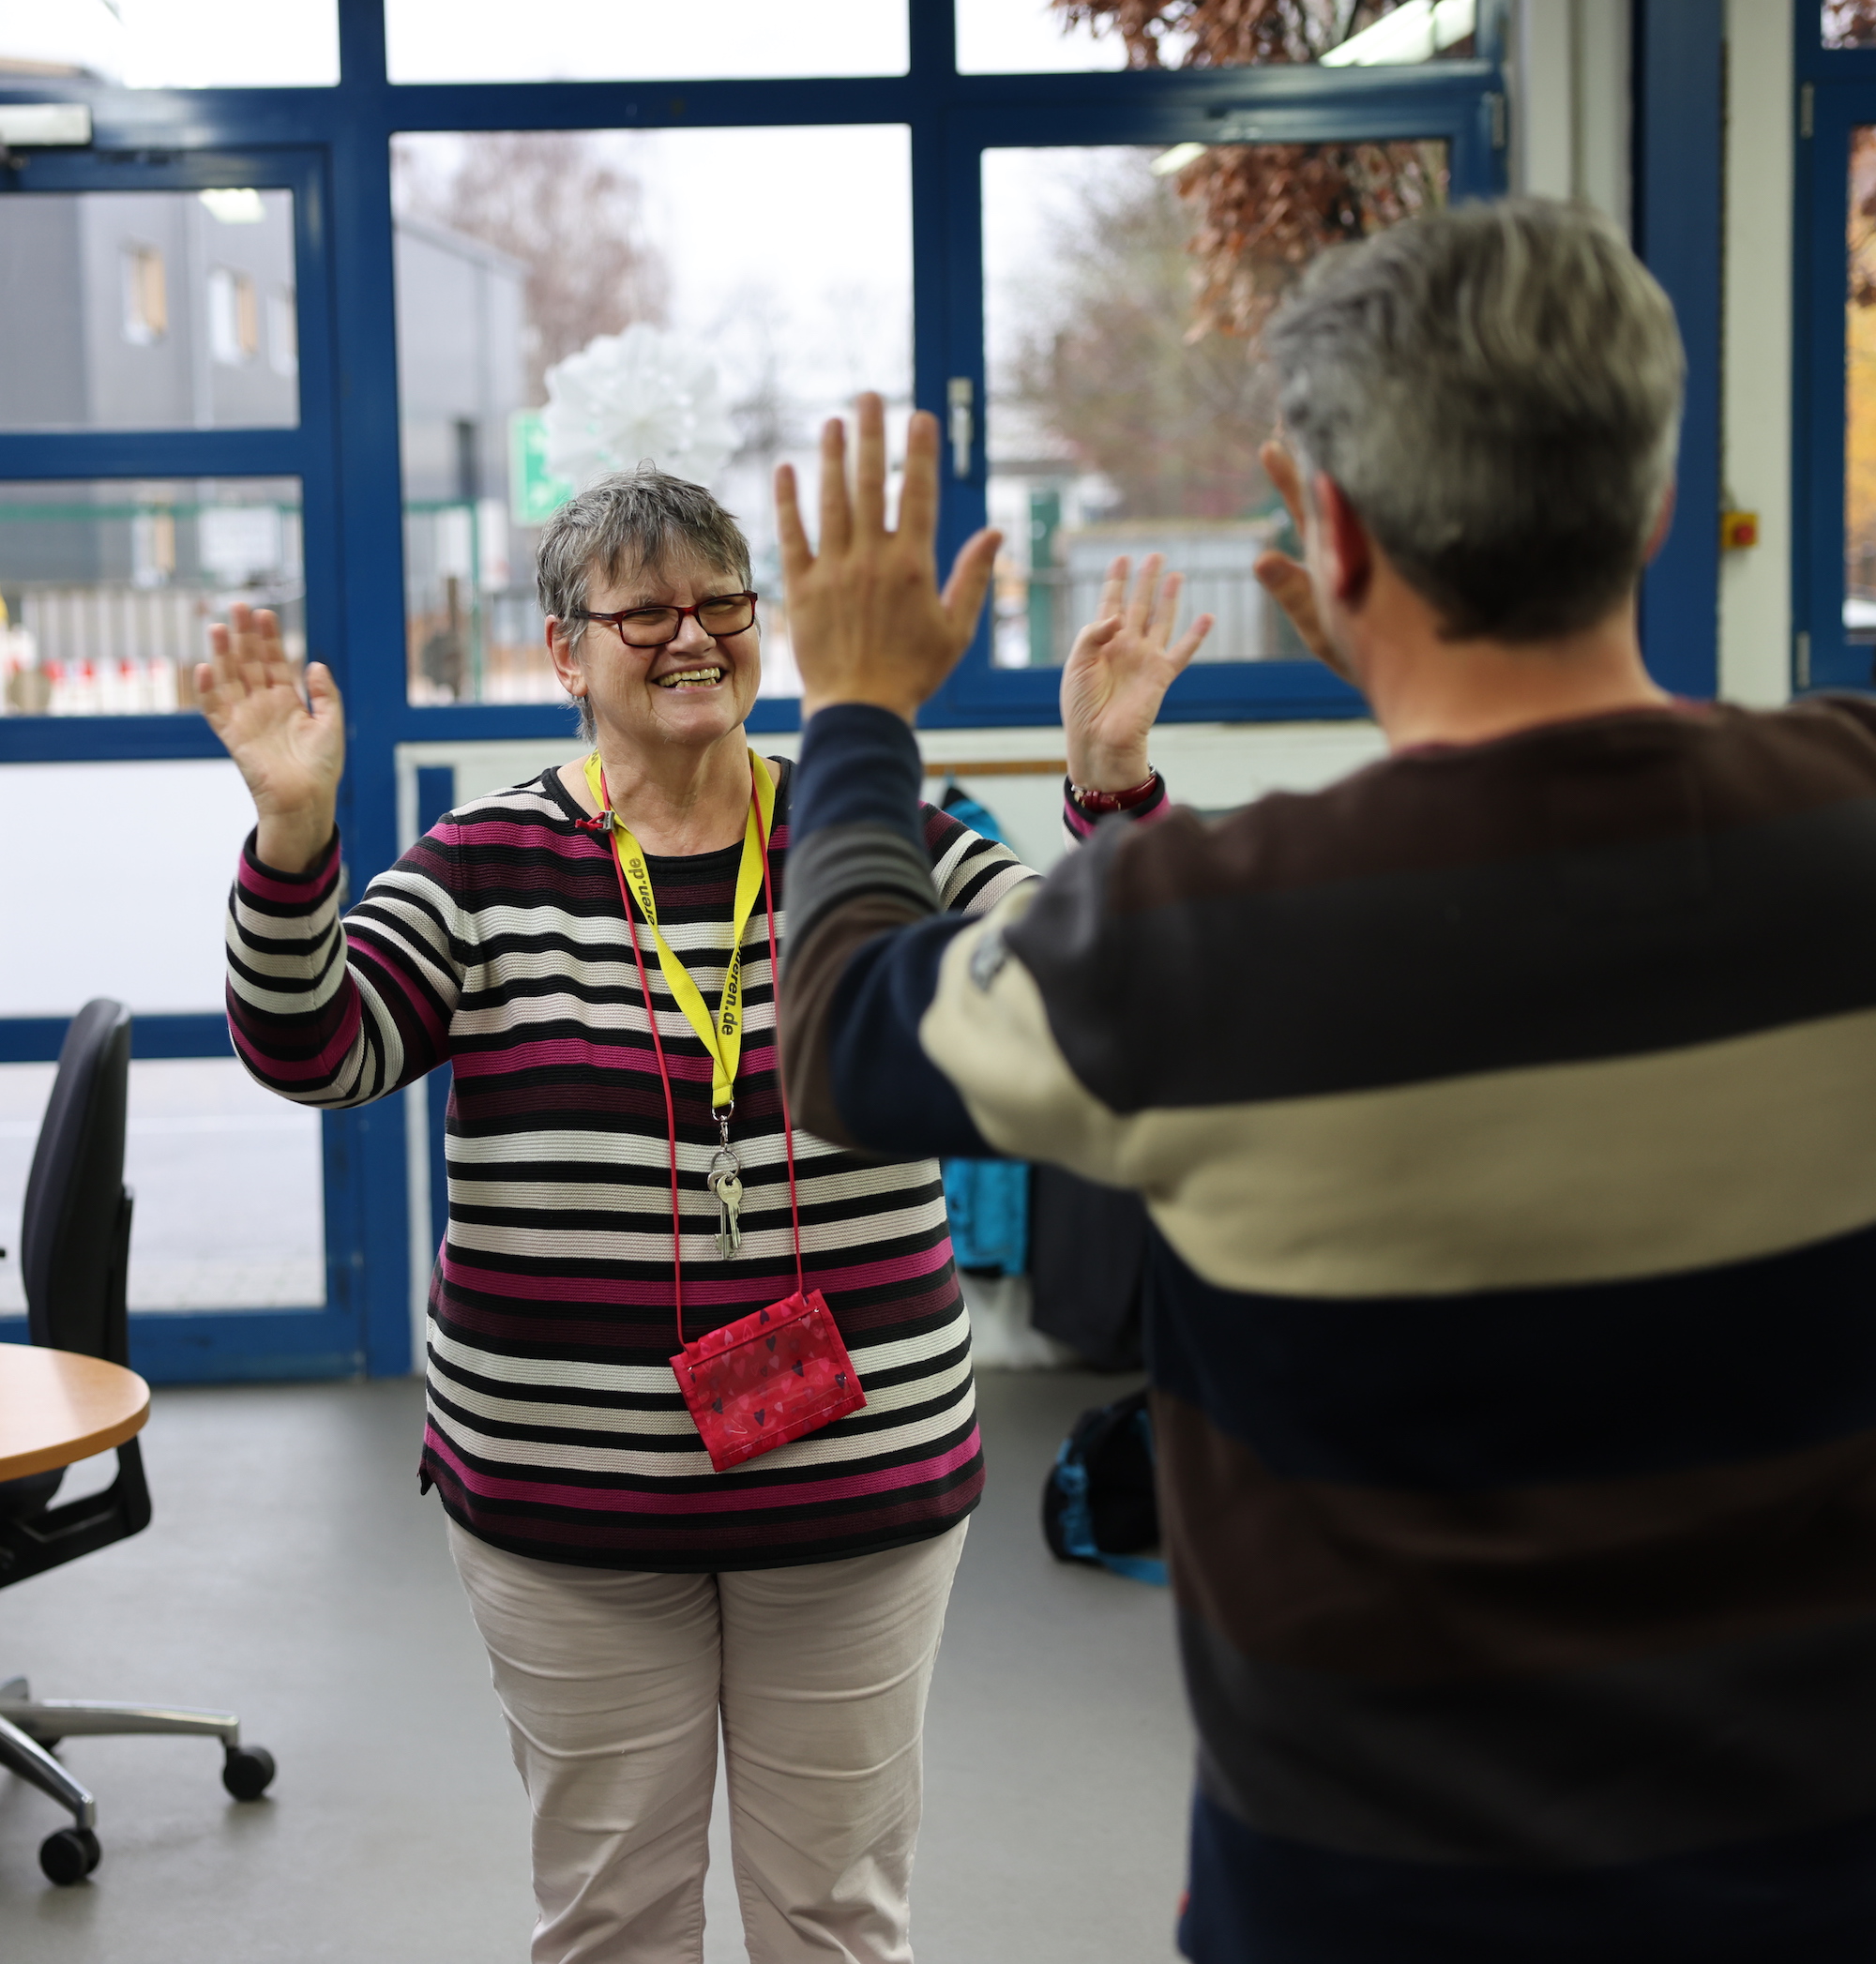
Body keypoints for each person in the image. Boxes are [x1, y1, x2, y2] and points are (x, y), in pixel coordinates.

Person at [775, 201, 1876, 1962]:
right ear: (1652, 508)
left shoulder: (1194, 941)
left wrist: (855, 710)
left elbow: (843, 1029)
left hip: (1367, 1907)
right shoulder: (1848, 812)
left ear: (1334, 529)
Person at [200, 467, 1207, 1963]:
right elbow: (316, 1049)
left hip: (853, 1493)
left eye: (722, 603)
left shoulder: (877, 840)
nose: (691, 636)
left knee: (833, 1917)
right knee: (612, 1919)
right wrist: (294, 837)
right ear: (563, 652)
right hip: (568, 1500)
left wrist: (1111, 781)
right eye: (645, 609)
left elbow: (1112, 1007)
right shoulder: (484, 867)